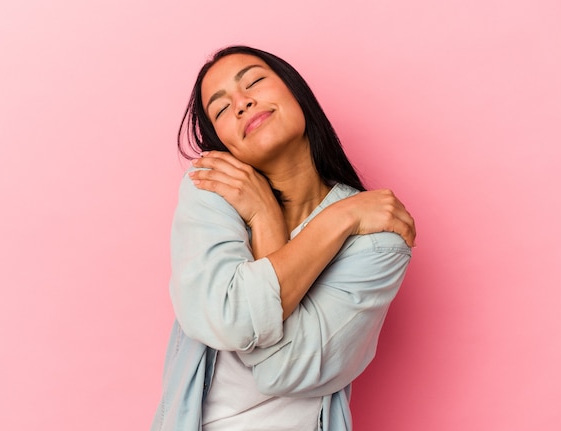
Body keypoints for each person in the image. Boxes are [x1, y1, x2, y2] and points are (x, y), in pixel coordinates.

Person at [152, 45, 416, 431]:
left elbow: (283, 368)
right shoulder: (212, 187)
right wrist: (336, 220)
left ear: (296, 92)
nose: (242, 104)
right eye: (222, 109)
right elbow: (232, 319)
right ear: (224, 142)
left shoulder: (378, 240)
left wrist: (270, 219)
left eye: (254, 81)